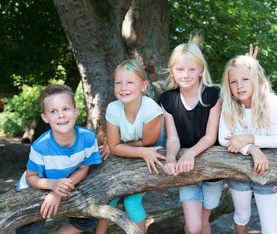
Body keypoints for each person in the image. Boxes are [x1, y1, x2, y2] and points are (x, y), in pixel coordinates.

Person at [16, 84, 102, 234]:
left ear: (75, 111)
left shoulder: (88, 138)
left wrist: (57, 192)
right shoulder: (40, 146)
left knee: (88, 217)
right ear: (45, 118)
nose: (61, 115)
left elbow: (83, 168)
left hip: (62, 185)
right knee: (29, 230)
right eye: (53, 111)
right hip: (34, 188)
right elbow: (31, 177)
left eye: (65, 109)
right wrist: (52, 185)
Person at [158, 42, 223, 234]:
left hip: (213, 170)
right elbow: (173, 139)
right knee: (194, 227)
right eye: (180, 69)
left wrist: (191, 154)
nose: (185, 74)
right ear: (172, 71)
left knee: (203, 224)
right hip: (186, 171)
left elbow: (211, 136)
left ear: (201, 71)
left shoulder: (213, 95)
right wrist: (171, 158)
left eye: (192, 69)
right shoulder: (167, 99)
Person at [96, 59, 166, 234]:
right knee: (108, 198)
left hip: (153, 156)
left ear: (143, 86)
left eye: (129, 82)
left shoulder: (151, 110)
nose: (123, 87)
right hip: (132, 155)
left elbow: (148, 143)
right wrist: (116, 146)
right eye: (118, 83)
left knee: (131, 202)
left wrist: (118, 146)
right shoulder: (113, 108)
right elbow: (113, 146)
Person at [218, 55, 277, 234]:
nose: (239, 86)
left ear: (256, 78)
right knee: (242, 216)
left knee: (270, 227)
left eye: (245, 79)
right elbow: (223, 138)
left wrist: (247, 138)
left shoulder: (271, 102)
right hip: (239, 172)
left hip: (266, 172)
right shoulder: (229, 104)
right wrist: (252, 149)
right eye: (234, 82)